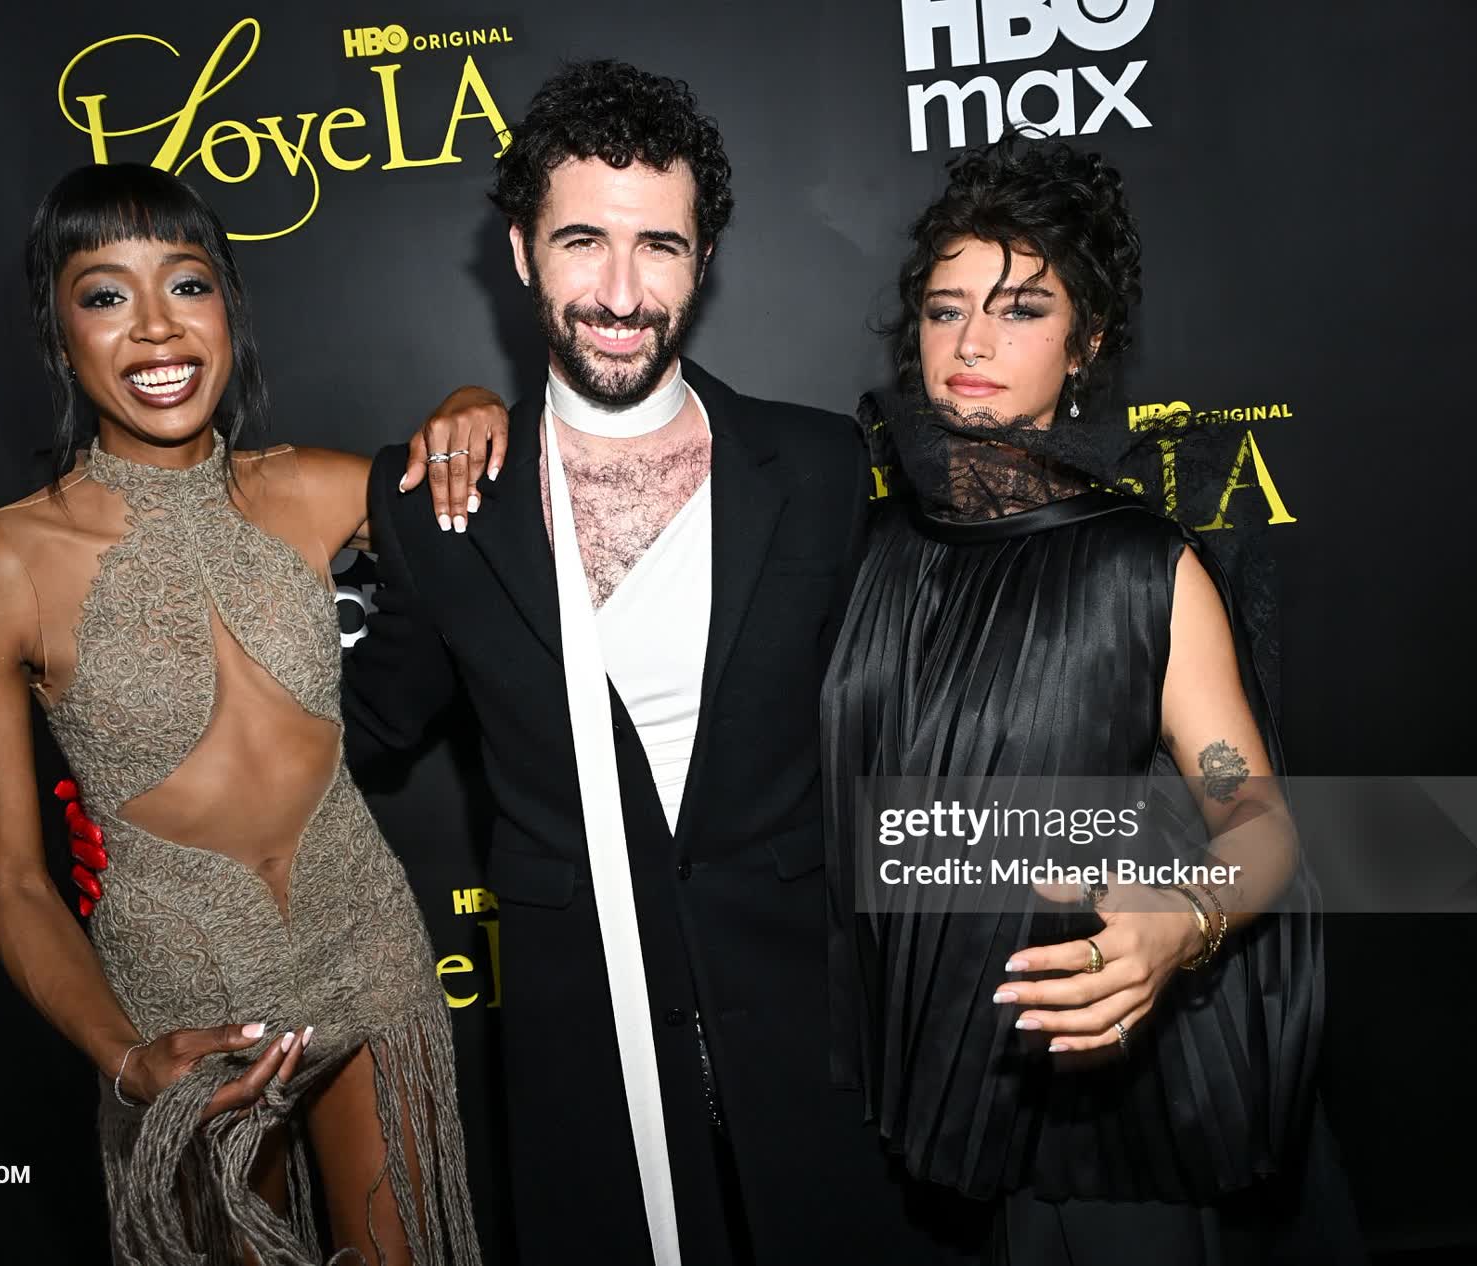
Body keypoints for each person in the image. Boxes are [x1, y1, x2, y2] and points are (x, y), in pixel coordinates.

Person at [336, 61, 969, 1265]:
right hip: (582, 1042)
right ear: (521, 253)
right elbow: (362, 730)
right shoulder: (435, 505)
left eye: (659, 247)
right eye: (582, 242)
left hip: (815, 1031)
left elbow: (918, 731)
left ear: (703, 259)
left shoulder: (821, 468)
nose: (621, 293)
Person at [0, 163, 481, 1266]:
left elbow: (495, 511)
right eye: (104, 295)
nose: (155, 328)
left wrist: (472, 405)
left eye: (186, 284)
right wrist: (127, 1058)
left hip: (368, 949)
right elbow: (14, 880)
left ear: (228, 309)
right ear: (59, 334)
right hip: (182, 1004)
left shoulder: (319, 488)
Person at [820, 138, 1363, 1263]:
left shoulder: (1141, 568)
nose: (971, 342)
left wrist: (1181, 922)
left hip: (1100, 1100)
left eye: (1021, 309)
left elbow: (1258, 822)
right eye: (944, 309)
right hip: (916, 1078)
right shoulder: (866, 549)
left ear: (1088, 343)